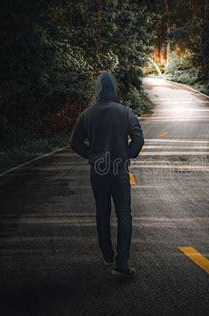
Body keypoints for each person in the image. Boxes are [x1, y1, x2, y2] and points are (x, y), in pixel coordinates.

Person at [70, 72, 144, 278]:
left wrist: (92, 156)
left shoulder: (88, 114)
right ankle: (122, 264)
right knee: (123, 214)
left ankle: (107, 255)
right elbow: (138, 138)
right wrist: (127, 155)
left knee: (102, 213)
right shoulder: (125, 112)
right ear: (114, 89)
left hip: (98, 171)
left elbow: (74, 142)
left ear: (98, 90)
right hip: (119, 170)